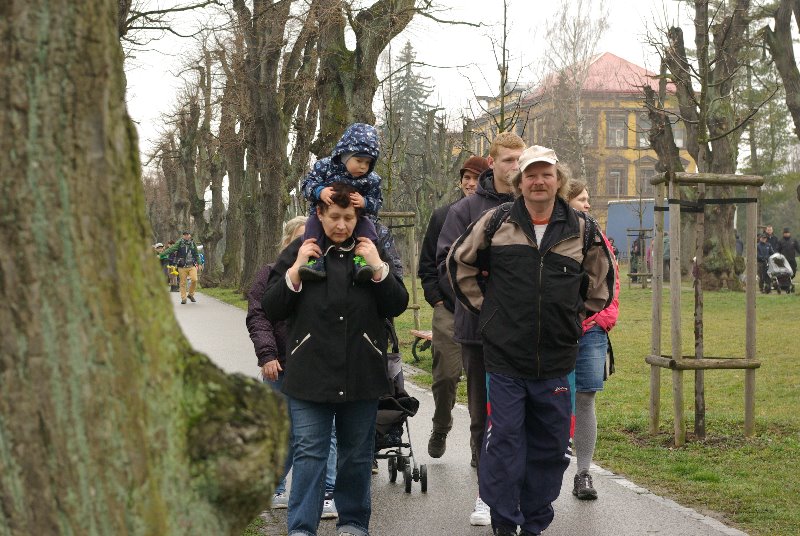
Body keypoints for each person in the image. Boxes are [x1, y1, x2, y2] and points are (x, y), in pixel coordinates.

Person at [447, 145, 613, 536]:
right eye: (531, 175)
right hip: (505, 358)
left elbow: (601, 283)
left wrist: (571, 320)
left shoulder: (583, 228)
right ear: (519, 182)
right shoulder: (496, 222)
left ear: (558, 180)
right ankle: (505, 523)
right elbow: (459, 263)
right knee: (504, 444)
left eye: (546, 174)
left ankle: (535, 523)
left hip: (557, 360)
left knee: (550, 447)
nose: (539, 182)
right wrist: (488, 312)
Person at [262, 182, 409, 536]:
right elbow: (272, 306)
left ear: (358, 217)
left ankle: (353, 524)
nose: (341, 225)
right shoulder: (302, 248)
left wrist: (378, 268)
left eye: (348, 218)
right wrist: (295, 271)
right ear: (320, 214)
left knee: (356, 456)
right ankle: (301, 528)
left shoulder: (370, 249)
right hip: (309, 375)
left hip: (362, 373)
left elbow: (397, 304)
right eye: (334, 217)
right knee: (310, 454)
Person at [436, 132, 524, 526]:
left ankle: (517, 490)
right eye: (507, 160)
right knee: (483, 415)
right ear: (492, 163)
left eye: (520, 159)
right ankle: (486, 492)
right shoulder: (466, 209)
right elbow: (447, 265)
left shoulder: (534, 203)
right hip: (479, 330)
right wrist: (486, 300)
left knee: (521, 414)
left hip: (527, 331)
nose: (515, 167)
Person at [246, 216, 340, 520]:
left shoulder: (328, 271)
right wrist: (267, 355)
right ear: (288, 243)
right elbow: (259, 316)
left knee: (327, 433)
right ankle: (273, 488)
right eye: (301, 239)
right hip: (282, 365)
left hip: (319, 368)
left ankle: (327, 493)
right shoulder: (269, 274)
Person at [419, 155, 489, 459]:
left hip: (484, 311)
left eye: (476, 178)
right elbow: (427, 264)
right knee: (447, 374)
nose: (470, 184)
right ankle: (441, 425)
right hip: (449, 307)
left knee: (480, 381)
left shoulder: (497, 214)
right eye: (466, 178)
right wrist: (437, 299)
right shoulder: (443, 215)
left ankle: (479, 445)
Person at [564, 180, 620, 501]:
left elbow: (612, 280)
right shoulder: (550, 234)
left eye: (587, 199)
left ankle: (583, 473)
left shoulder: (596, 234)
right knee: (552, 395)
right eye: (582, 199)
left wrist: (602, 319)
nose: (587, 204)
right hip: (555, 330)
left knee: (585, 398)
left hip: (591, 330)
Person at [300, 123, 382, 283]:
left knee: (369, 229)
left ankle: (362, 262)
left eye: (368, 163)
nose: (363, 167)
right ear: (345, 155)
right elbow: (306, 185)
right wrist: (319, 191)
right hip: (323, 217)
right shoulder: (325, 167)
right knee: (311, 227)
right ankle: (314, 261)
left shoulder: (372, 179)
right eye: (359, 160)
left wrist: (365, 202)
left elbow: (377, 202)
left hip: (357, 219)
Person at [160, 230, 200, 304]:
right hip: (182, 266)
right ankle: (183, 298)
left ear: (190, 235)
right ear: (183, 236)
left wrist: (199, 263)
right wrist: (161, 255)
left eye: (187, 234)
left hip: (192, 265)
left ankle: (190, 294)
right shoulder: (180, 242)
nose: (186, 236)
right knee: (182, 283)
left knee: (194, 280)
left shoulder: (192, 243)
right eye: (185, 234)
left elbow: (196, 254)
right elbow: (171, 249)